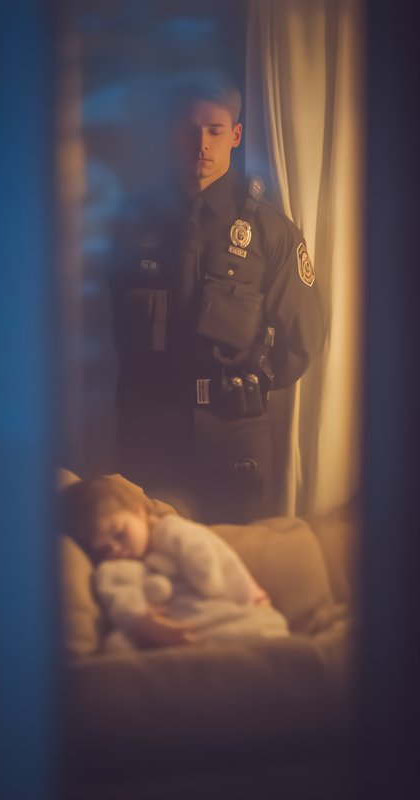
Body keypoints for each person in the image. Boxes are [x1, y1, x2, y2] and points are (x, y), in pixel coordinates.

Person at [109, 73, 325, 524]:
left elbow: (304, 338)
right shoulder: (133, 224)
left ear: (236, 135)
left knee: (240, 569)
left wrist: (254, 380)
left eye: (215, 130)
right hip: (149, 430)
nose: (201, 144)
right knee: (145, 574)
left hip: (233, 434)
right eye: (190, 130)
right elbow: (115, 323)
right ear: (174, 134)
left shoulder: (269, 231)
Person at [60, 476, 287, 650]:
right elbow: (119, 600)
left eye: (119, 534)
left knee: (261, 628)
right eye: (104, 549)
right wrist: (143, 622)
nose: (116, 549)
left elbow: (208, 567)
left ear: (139, 514)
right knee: (117, 645)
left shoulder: (170, 531)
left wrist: (208, 578)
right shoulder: (115, 567)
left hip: (210, 605)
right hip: (160, 625)